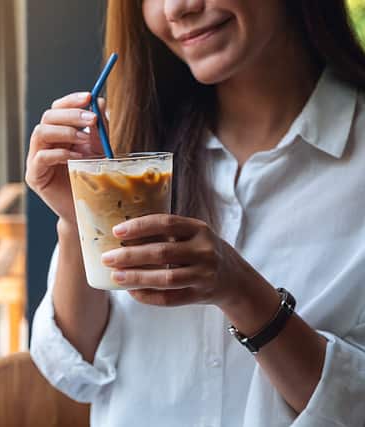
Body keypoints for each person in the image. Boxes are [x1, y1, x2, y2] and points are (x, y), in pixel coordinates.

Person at [25, 1, 365, 426]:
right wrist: (79, 222)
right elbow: (74, 371)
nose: (177, 8)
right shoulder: (131, 154)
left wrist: (243, 293)